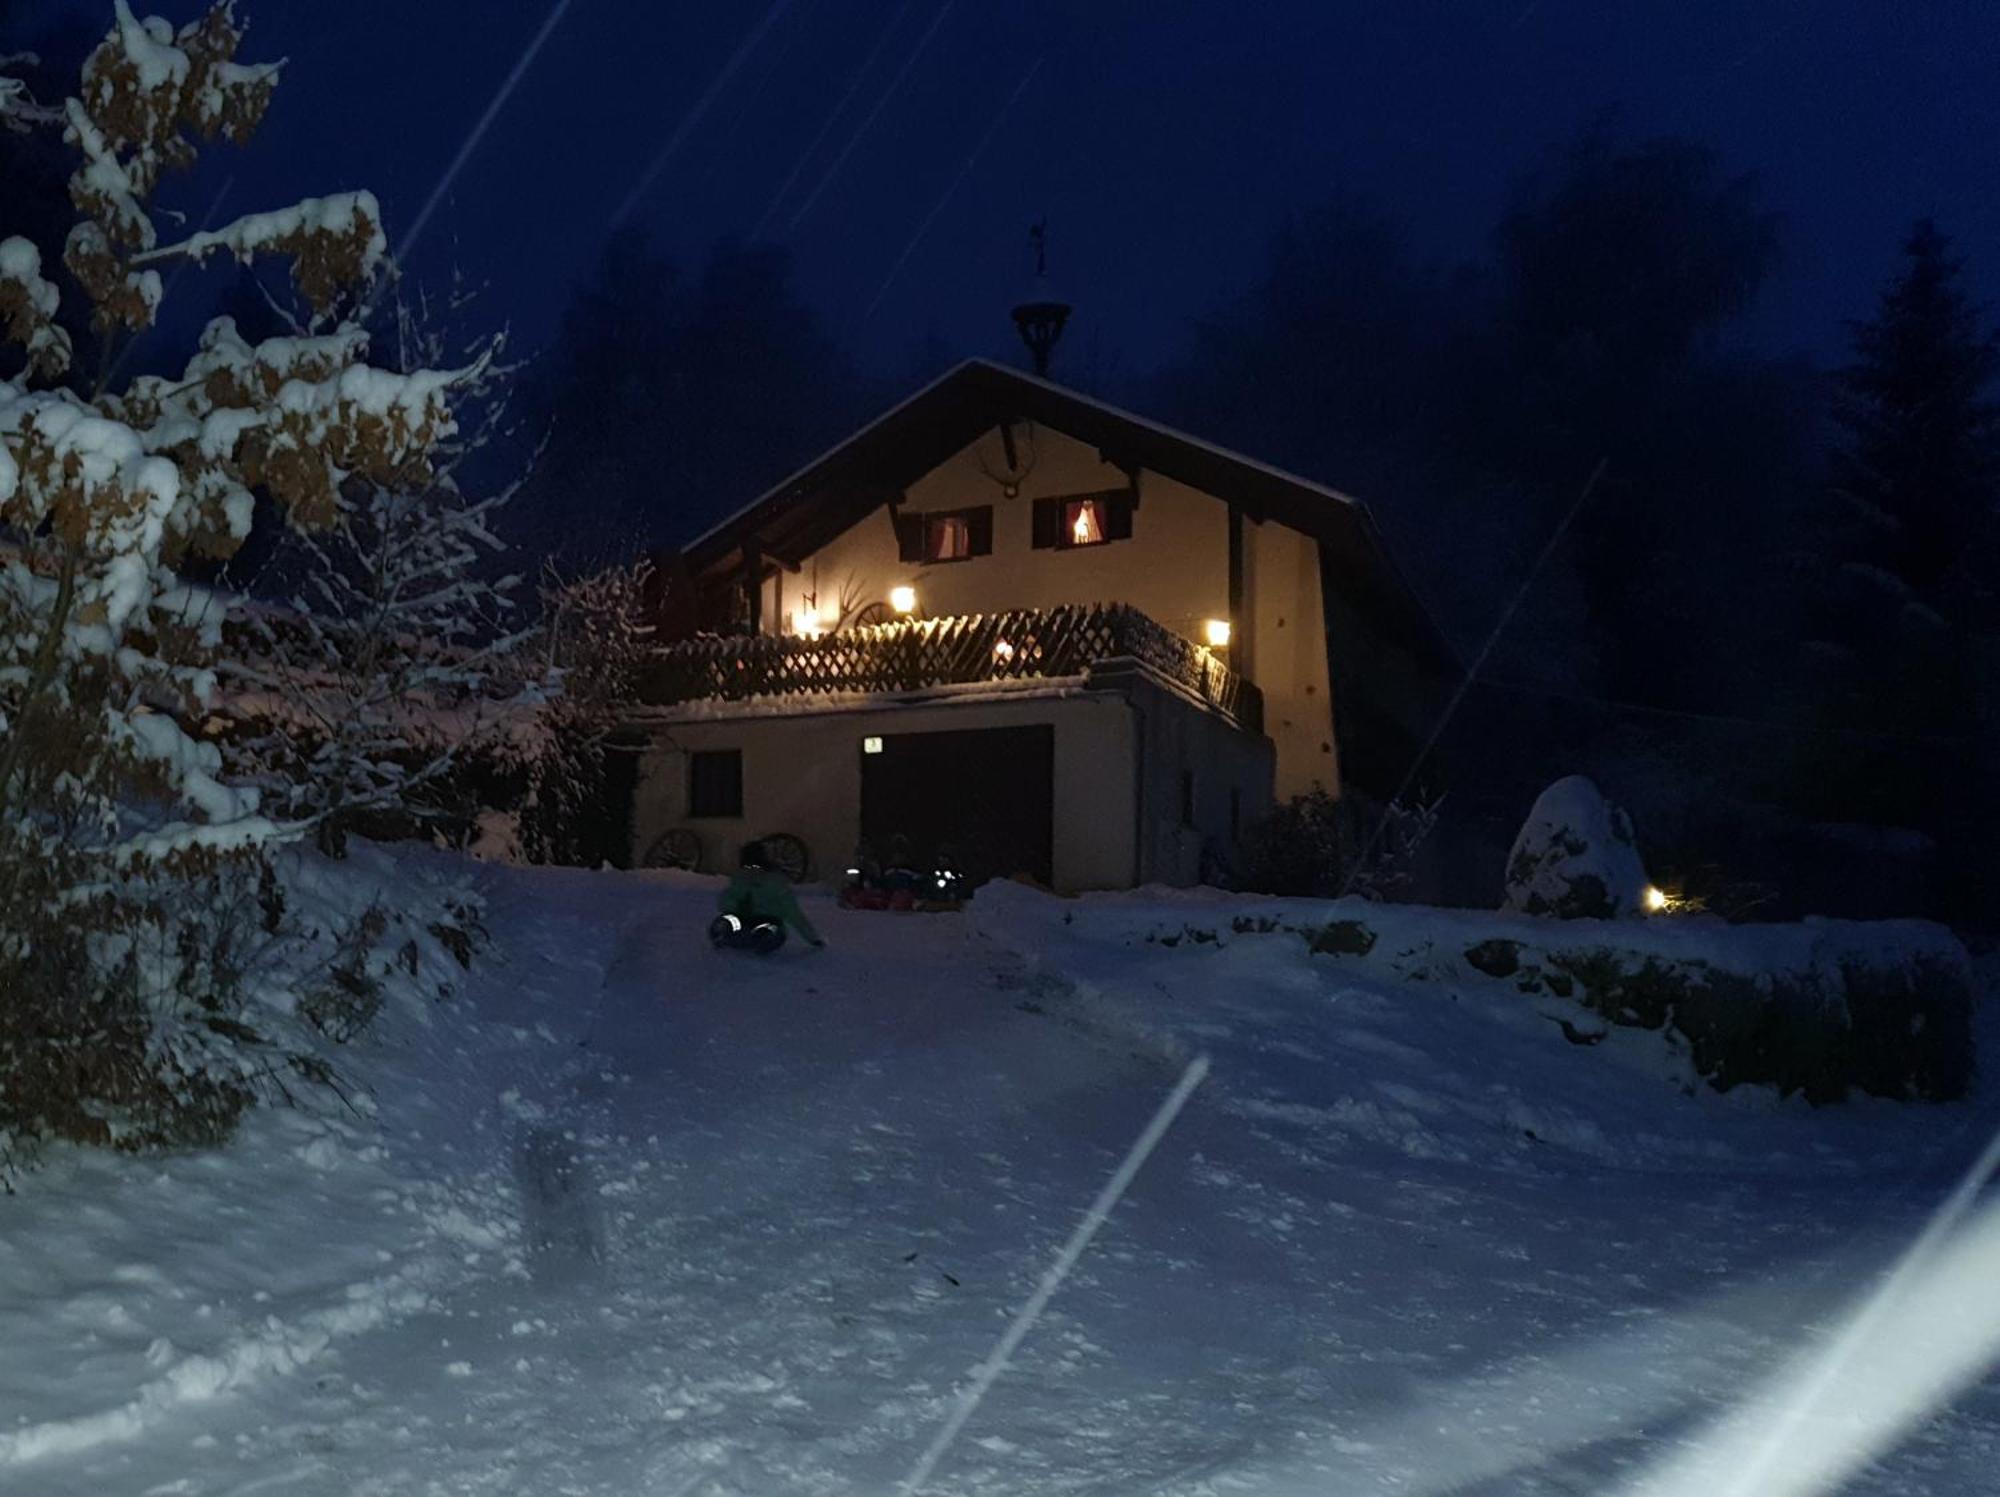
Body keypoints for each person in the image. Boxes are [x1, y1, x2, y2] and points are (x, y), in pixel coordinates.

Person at [709, 840, 825, 954]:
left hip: (767, 920)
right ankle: (731, 934)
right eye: (749, 867)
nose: (752, 871)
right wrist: (736, 905)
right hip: (742, 920)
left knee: (771, 929)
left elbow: (793, 913)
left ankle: (759, 938)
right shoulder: (740, 881)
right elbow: (725, 901)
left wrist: (812, 938)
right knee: (728, 920)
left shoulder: (775, 883)